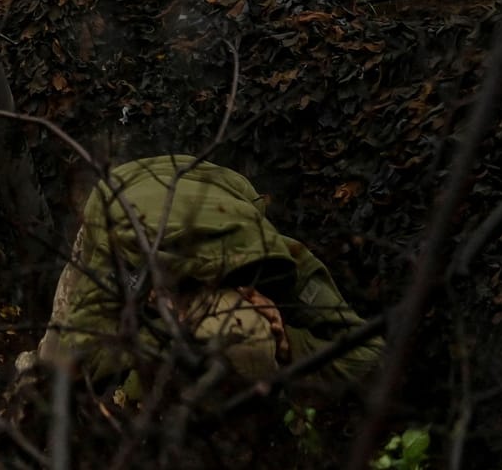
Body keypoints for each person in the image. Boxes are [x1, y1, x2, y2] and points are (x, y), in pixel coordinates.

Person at [25, 154, 380, 399]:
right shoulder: (118, 254)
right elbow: (75, 363)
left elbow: (368, 354)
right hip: (120, 207)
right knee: (51, 367)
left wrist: (289, 344)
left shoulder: (280, 260)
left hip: (222, 192)